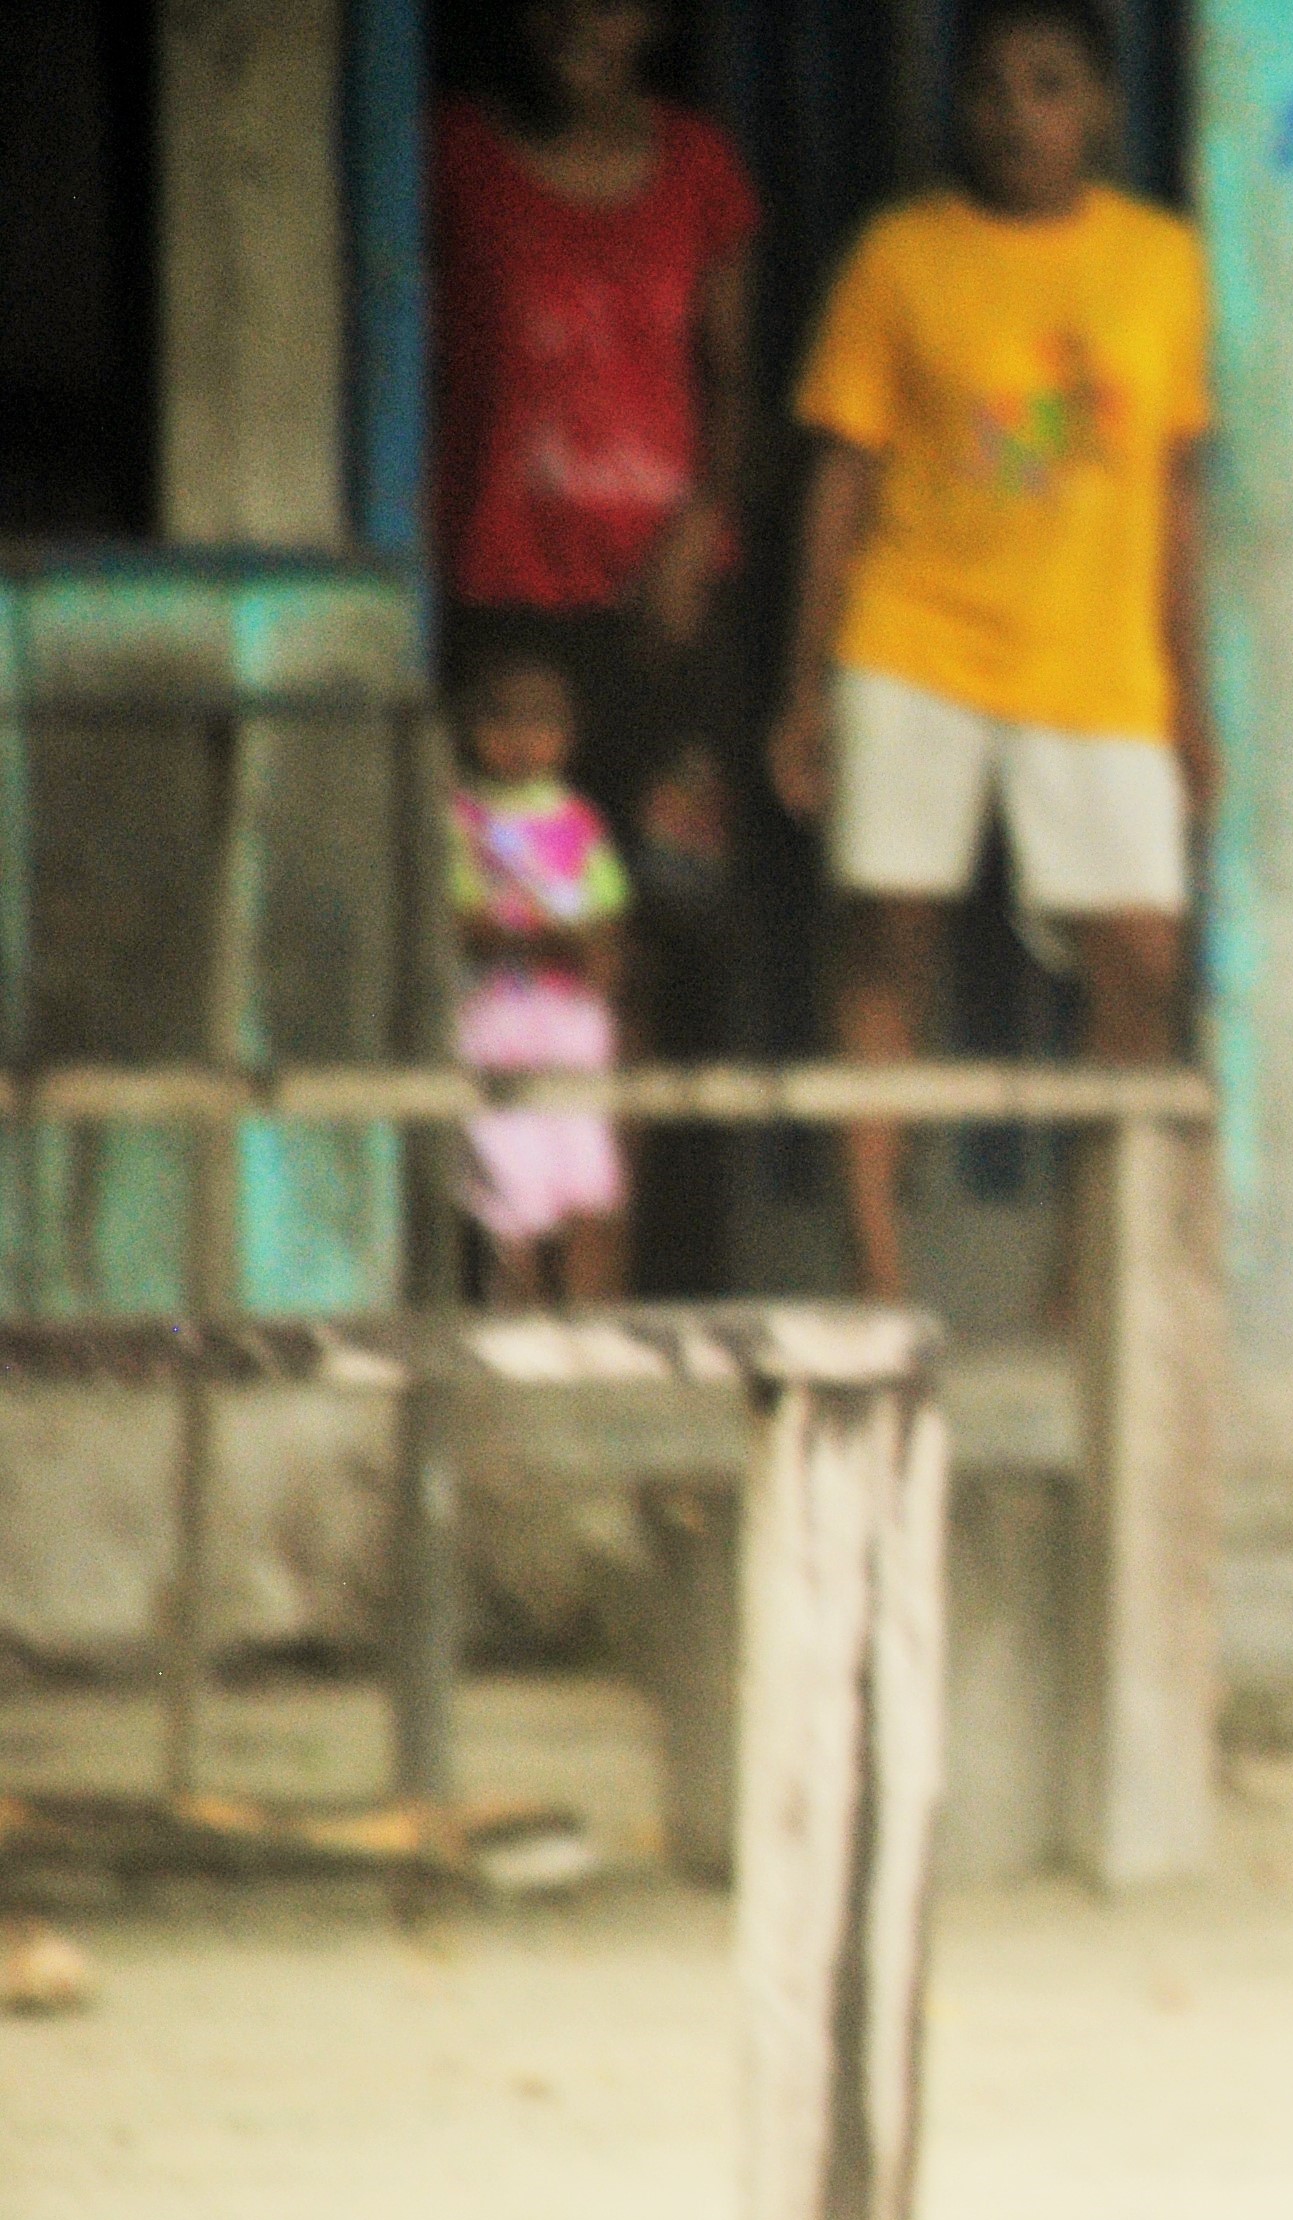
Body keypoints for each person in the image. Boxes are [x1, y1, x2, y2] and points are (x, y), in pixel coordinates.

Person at [771, 0, 1214, 1302]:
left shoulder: (1162, 262)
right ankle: (876, 1269)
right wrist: (803, 687)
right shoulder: (900, 256)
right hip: (913, 640)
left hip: (1096, 658)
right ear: (957, 107)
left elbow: (1176, 490)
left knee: (1140, 961)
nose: (1019, 115)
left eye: (1050, 85)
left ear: (1103, 108)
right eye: (992, 89)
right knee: (886, 932)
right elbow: (841, 478)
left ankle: (1087, 1269)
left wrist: (1190, 696)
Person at [430, 0, 757, 1286]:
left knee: (662, 934)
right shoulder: (457, 156)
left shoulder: (699, 169)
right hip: (507, 610)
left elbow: (734, 382)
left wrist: (699, 528)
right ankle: (505, 1258)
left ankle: (637, 1266)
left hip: (663, 623)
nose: (581, 19)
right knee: (500, 943)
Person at [447, 647, 632, 1304]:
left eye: (541, 720)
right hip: (493, 1021)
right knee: (512, 1198)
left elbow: (606, 923)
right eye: (502, 719)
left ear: (569, 733)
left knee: (586, 1184)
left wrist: (591, 957)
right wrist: (548, 941)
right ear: (472, 728)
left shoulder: (579, 822)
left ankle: (589, 1331)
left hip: (572, 1024)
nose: (521, 737)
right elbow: (463, 921)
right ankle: (517, 1328)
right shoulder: (459, 820)